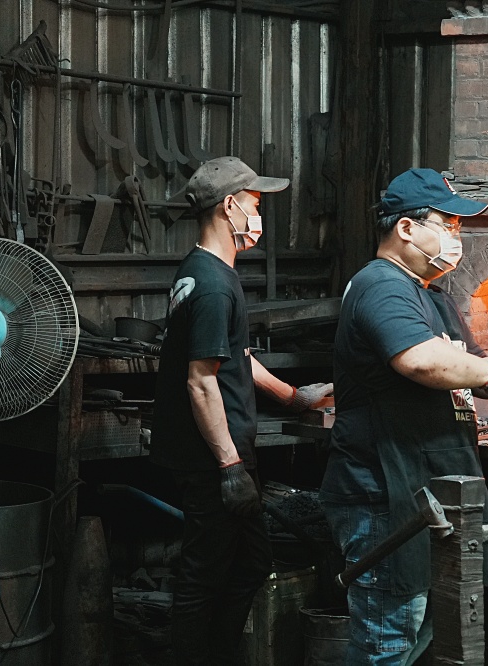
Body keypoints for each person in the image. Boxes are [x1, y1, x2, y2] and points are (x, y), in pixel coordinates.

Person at [320, 168, 488, 665]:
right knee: (387, 644)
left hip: (433, 490)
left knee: (424, 635)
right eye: (448, 223)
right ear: (407, 228)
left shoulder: (434, 298)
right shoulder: (381, 286)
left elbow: (468, 368)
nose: (455, 237)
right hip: (385, 494)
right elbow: (418, 360)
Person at [152, 156, 333, 665]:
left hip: (222, 452)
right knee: (203, 576)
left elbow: (235, 357)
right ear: (230, 206)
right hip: (214, 458)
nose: (260, 215)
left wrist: (293, 396)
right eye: (256, 204)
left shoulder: (207, 272)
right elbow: (201, 381)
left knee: (250, 565)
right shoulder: (210, 285)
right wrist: (231, 467)